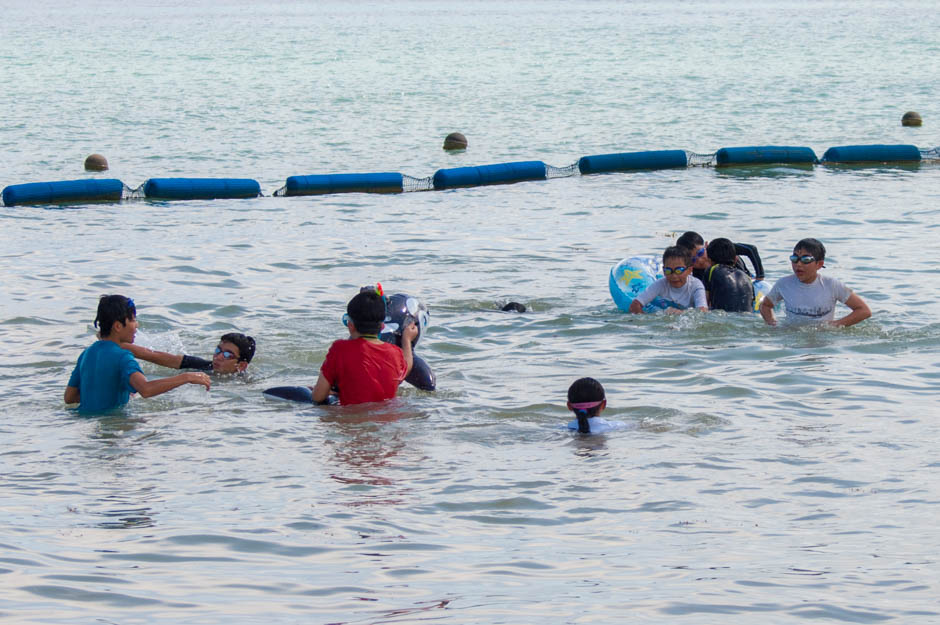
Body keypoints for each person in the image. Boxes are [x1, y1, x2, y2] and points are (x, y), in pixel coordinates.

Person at [64, 295, 210, 413]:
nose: (137, 325)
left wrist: (102, 394)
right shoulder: (123, 356)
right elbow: (146, 389)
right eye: (133, 320)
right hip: (115, 430)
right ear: (118, 326)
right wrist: (186, 377)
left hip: (89, 430)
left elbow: (69, 398)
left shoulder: (86, 354)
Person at [311, 285, 417, 405]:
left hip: (349, 419)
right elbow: (406, 367)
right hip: (386, 419)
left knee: (302, 392)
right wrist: (407, 341)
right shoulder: (395, 353)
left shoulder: (339, 349)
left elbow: (318, 397)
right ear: (382, 326)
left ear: (350, 325)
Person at [759, 238, 871, 327]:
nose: (798, 264)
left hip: (822, 341)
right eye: (794, 259)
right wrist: (773, 324)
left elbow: (864, 311)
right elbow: (765, 305)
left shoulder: (832, 285)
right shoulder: (784, 284)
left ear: (819, 264)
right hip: (792, 339)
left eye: (805, 260)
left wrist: (835, 325)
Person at [122, 333, 256, 374]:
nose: (218, 357)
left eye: (227, 355)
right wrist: (114, 344)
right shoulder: (203, 366)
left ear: (242, 366)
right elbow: (153, 355)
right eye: (218, 351)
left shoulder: (244, 386)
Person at [629, 246, 707, 314]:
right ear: (663, 270)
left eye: (679, 270)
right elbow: (635, 305)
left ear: (689, 270)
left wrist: (682, 313)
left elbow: (702, 312)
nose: (674, 276)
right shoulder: (661, 284)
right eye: (668, 271)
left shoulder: (696, 285)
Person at [677, 231, 765, 282]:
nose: (699, 260)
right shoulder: (697, 273)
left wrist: (760, 276)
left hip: (743, 277)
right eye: (693, 260)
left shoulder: (720, 248)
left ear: (706, 245)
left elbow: (751, 249)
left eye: (700, 253)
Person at [702, 238, 754, 312]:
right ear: (735, 259)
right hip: (746, 318)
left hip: (723, 318)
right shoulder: (747, 277)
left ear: (710, 260)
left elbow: (705, 304)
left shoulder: (712, 270)